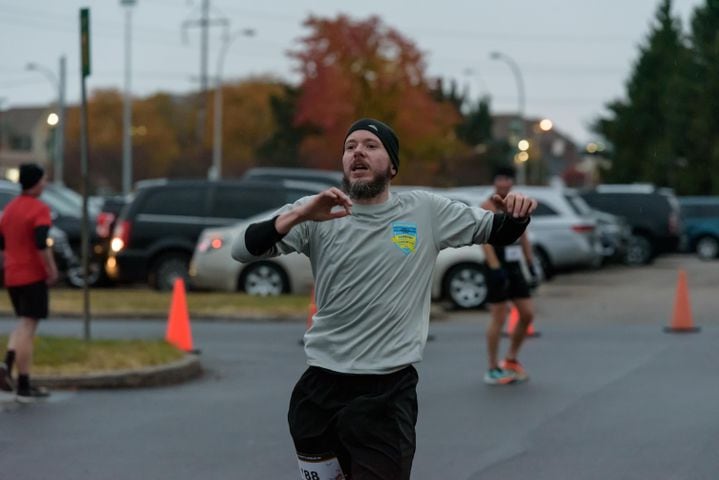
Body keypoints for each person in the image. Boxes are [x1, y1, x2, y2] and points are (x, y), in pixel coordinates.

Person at [232, 118, 537, 479]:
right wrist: (298, 215)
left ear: (392, 165)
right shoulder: (318, 212)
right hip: (319, 391)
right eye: (349, 147)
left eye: (370, 145)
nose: (357, 151)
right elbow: (242, 249)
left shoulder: (424, 210)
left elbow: (496, 230)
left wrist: (517, 214)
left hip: (386, 394)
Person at [0, 163, 58, 403]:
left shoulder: (10, 210)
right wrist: (51, 269)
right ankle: (24, 384)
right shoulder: (39, 209)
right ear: (35, 183)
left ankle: (7, 364)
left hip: (12, 275)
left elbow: (2, 243)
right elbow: (40, 242)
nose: (45, 184)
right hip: (32, 274)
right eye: (43, 180)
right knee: (28, 327)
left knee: (23, 322)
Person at [481, 165, 539, 385]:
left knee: (527, 314)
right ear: (494, 182)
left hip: (514, 266)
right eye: (500, 178)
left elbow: (523, 236)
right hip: (496, 266)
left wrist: (530, 263)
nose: (504, 183)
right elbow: (484, 240)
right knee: (499, 316)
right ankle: (493, 367)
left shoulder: (517, 204)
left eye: (507, 179)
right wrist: (495, 268)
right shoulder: (488, 206)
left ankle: (511, 359)